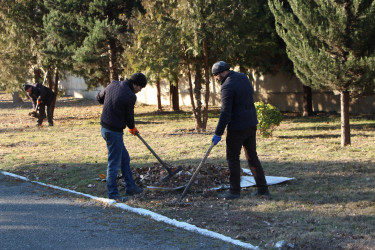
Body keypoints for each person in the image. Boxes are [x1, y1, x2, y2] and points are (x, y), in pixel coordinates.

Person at [211, 61, 270, 200]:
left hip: (237, 128)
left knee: (232, 158)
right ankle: (263, 189)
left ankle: (234, 191)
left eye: (215, 76)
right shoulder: (243, 77)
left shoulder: (227, 86)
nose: (216, 79)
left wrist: (218, 133)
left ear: (221, 73)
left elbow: (225, 112)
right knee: (252, 157)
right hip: (251, 124)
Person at [96, 73, 147, 203]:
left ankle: (130, 187)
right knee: (114, 163)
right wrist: (132, 127)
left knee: (124, 158)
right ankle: (113, 194)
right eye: (140, 87)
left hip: (105, 128)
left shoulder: (113, 84)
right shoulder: (130, 96)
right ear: (135, 84)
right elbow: (129, 116)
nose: (140, 90)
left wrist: (110, 103)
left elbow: (99, 97)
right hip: (113, 132)